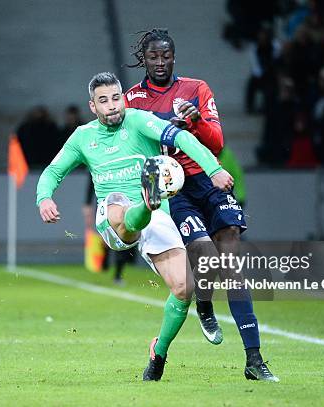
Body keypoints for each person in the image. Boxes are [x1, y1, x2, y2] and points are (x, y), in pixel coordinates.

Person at [36, 72, 233, 381]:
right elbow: (53, 171)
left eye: (116, 98)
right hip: (112, 214)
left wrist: (214, 168)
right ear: (93, 106)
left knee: (185, 288)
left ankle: (159, 352)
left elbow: (181, 137)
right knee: (121, 207)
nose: (113, 105)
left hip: (156, 218)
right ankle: (147, 200)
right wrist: (44, 198)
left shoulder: (140, 120)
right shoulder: (83, 137)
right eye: (104, 101)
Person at [125, 28, 278, 381]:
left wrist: (194, 119)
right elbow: (135, 148)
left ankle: (254, 359)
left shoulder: (196, 89)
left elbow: (217, 141)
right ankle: (204, 303)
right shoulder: (133, 99)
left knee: (232, 262)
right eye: (153, 57)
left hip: (207, 180)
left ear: (174, 57)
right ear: (144, 60)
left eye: (166, 56)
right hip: (173, 189)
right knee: (205, 256)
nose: (160, 63)